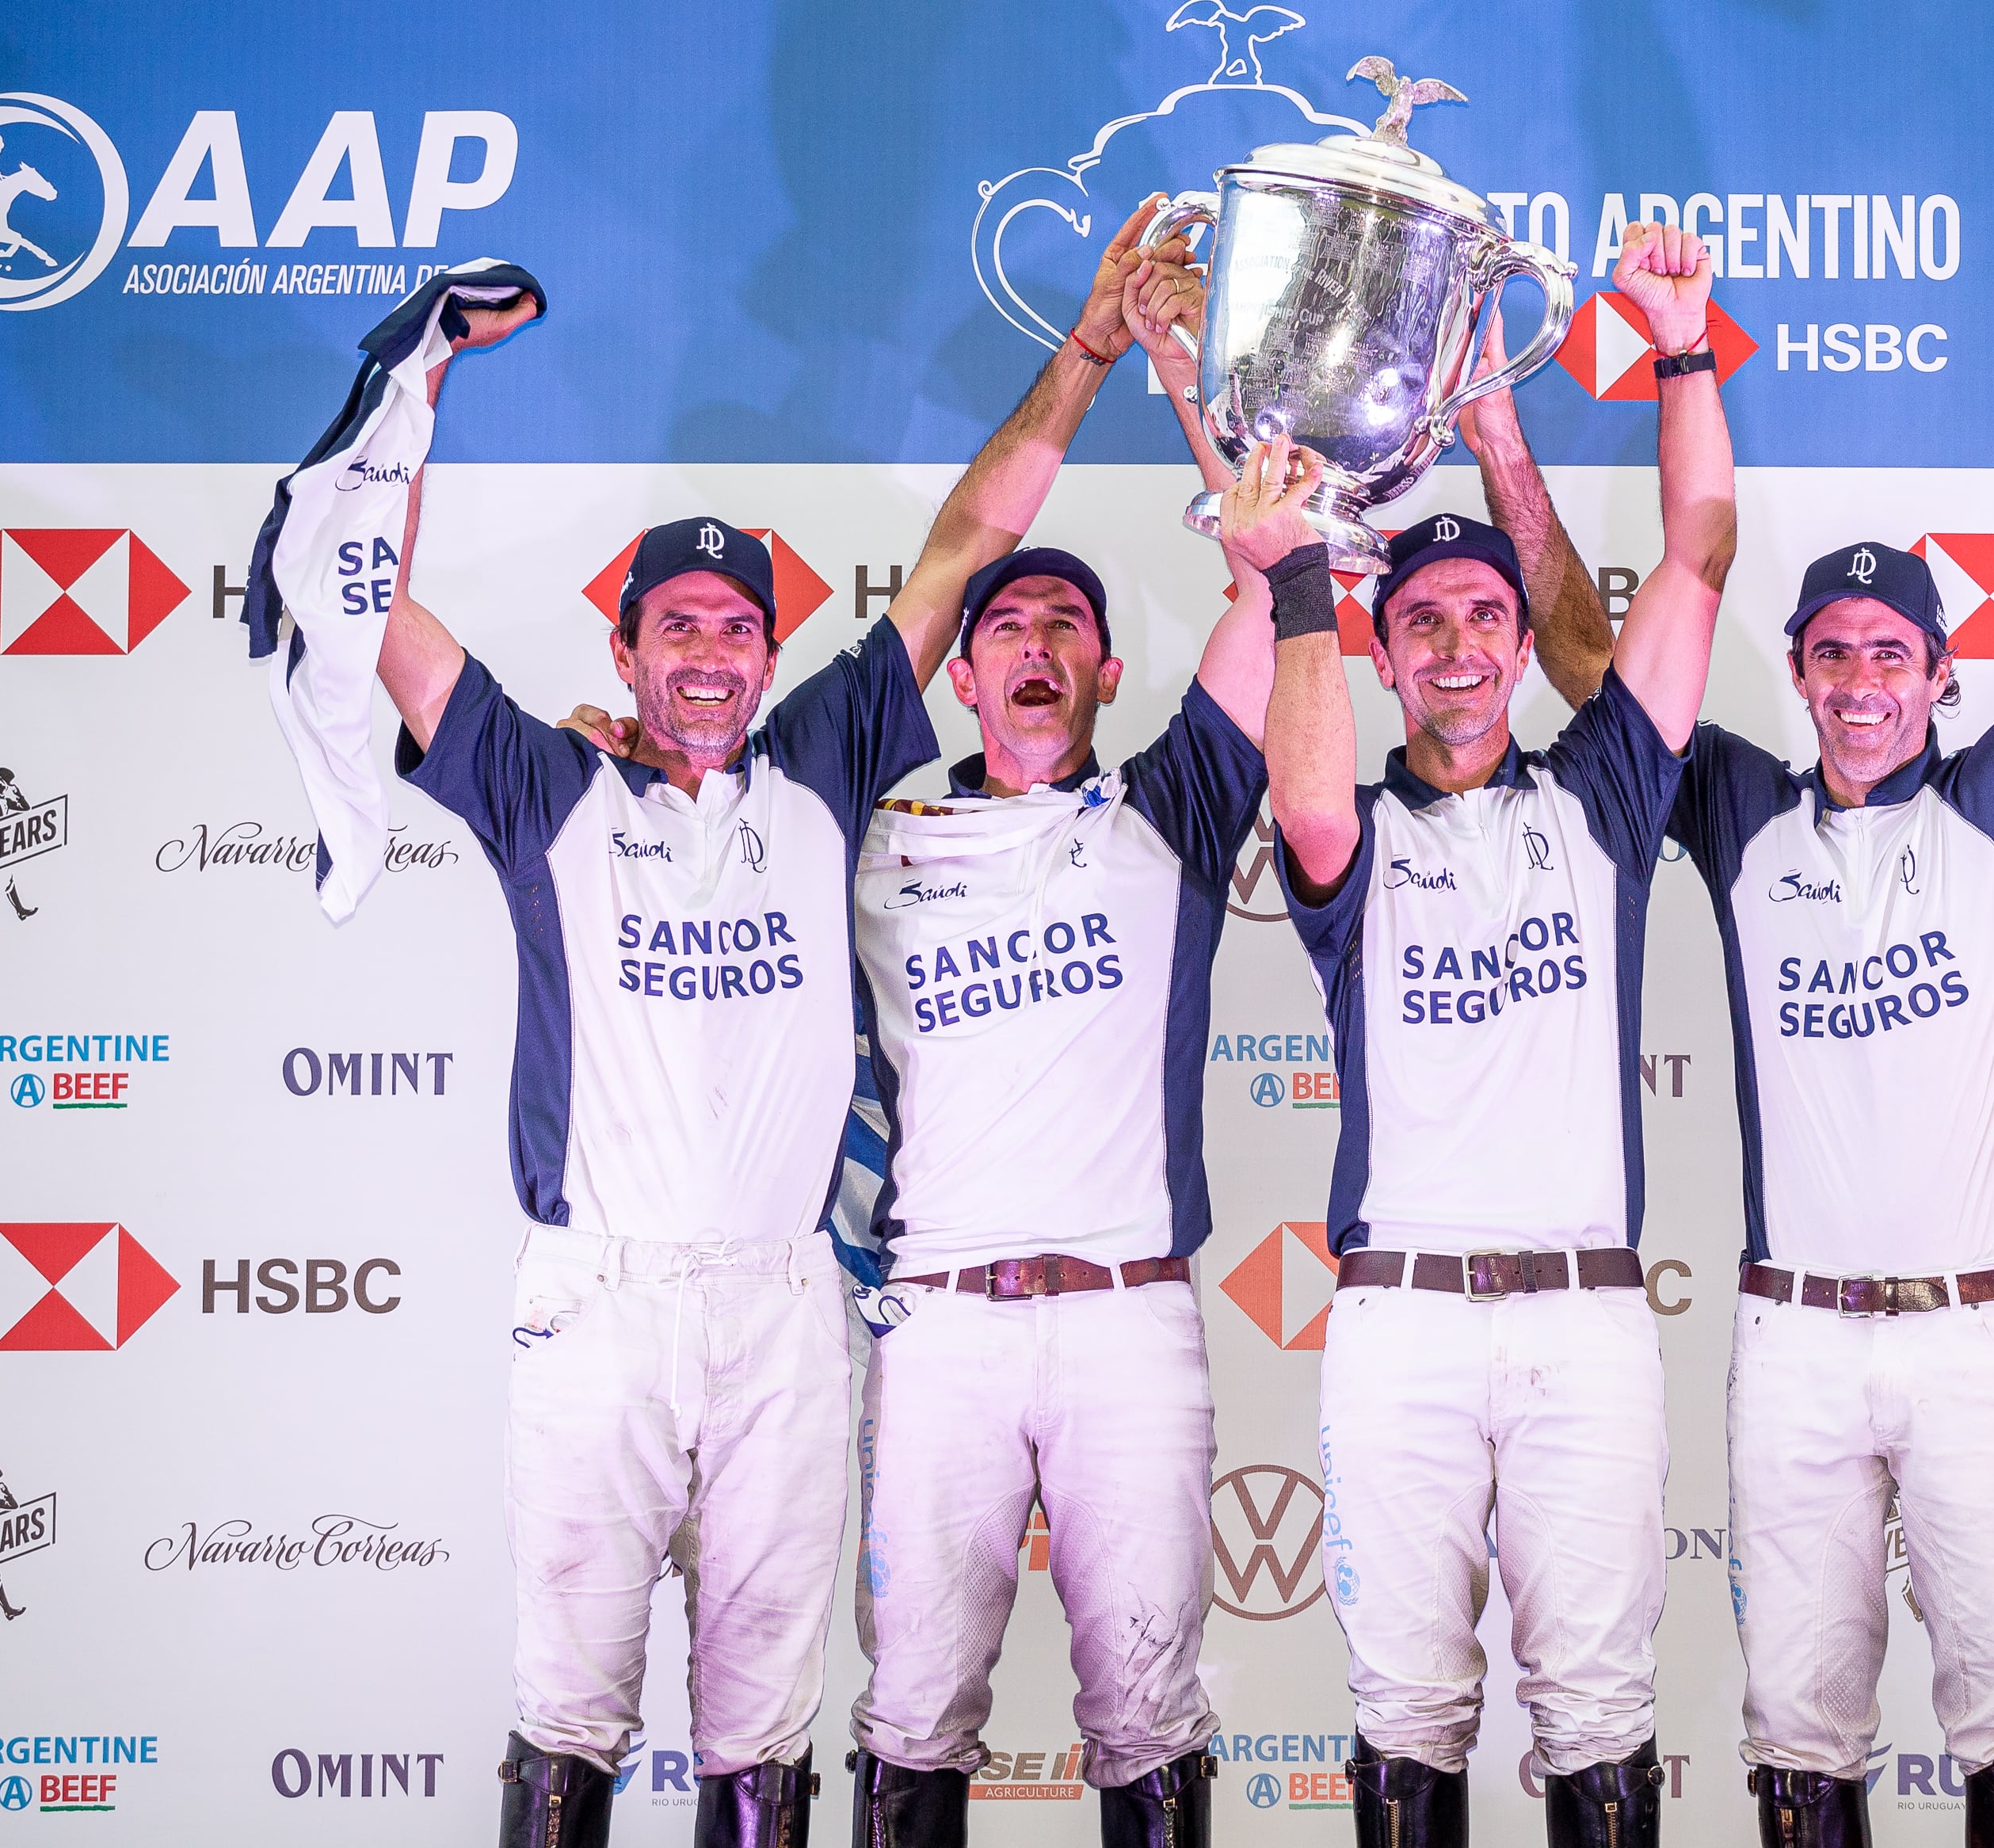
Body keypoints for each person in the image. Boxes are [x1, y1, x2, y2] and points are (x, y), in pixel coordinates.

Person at [385, 203, 1176, 1848]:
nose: (708, 655)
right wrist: (417, 395)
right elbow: (371, 622)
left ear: (768, 656)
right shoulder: (549, 779)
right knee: (569, 1715)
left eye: (738, 629)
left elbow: (966, 546)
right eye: (675, 625)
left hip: (786, 1301)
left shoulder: (823, 771)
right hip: (597, 1294)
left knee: (767, 1733)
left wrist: (1088, 354)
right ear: (623, 648)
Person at [1526, 279, 1994, 1848]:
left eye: (1888, 652)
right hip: (1798, 1348)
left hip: (1978, 1341)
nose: (1857, 681)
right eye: (1827, 654)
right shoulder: (1743, 808)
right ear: (1802, 673)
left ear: (1937, 674)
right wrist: (1506, 436)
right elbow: (1590, 665)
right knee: (1801, 1745)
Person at [1226, 221, 1735, 1848]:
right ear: (1383, 658)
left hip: (1584, 1325)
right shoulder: (1349, 830)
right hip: (1402, 1333)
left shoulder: (1601, 799)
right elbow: (1300, 792)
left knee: (1598, 1724)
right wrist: (1304, 570)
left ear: (1523, 648)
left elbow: (1700, 561)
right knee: (1407, 1720)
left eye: (1480, 620)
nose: (1453, 643)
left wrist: (1677, 349)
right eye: (1422, 623)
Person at [829, 238, 1264, 1848]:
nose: (1028, 635)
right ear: (964, 661)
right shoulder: (866, 827)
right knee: (910, 1717)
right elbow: (955, 545)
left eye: (1062, 622)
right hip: (936, 1325)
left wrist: (1171, 379)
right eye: (1003, 620)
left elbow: (1273, 572)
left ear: (1099, 668)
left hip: (1123, 1328)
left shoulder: (1171, 807)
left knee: (1148, 1716)